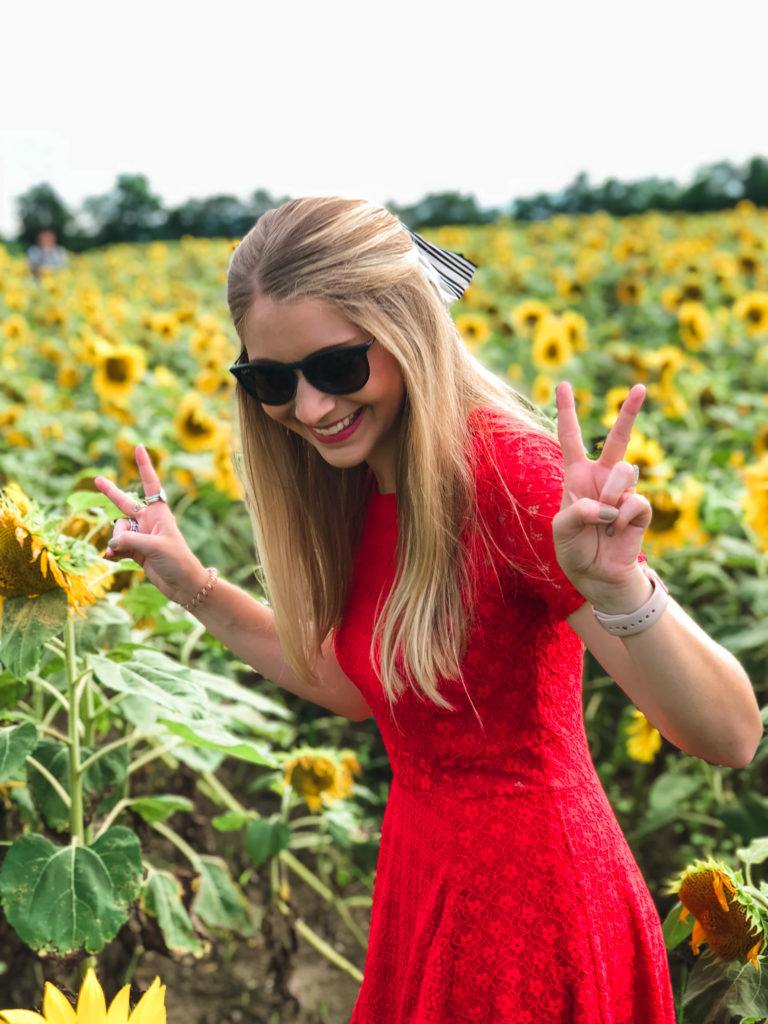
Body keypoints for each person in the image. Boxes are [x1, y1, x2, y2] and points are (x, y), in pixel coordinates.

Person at [93, 196, 761, 1022]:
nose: (306, 409)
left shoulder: (504, 476)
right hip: (430, 880)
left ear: (408, 329)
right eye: (271, 380)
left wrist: (621, 589)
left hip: (529, 907)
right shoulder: (369, 477)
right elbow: (363, 686)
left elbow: (729, 736)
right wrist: (190, 580)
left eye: (336, 368)